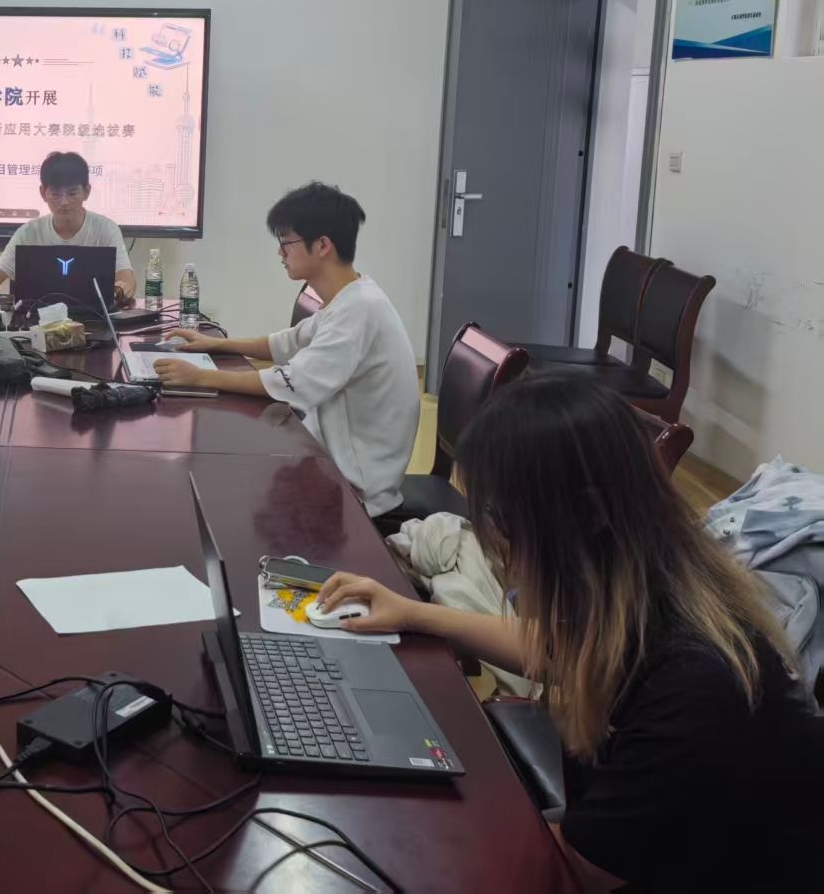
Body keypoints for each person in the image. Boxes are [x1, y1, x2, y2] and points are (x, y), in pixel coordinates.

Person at [316, 375, 824, 892]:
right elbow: (553, 649)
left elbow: (571, 873)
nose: (493, 542)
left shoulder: (693, 684)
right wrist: (413, 614)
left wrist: (394, 836)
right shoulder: (649, 595)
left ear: (590, 512)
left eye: (499, 518)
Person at [154, 182, 418, 517]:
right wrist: (215, 343)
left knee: (229, 492)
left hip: (357, 488)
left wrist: (201, 378)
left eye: (286, 243)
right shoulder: (351, 297)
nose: (280, 254)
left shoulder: (359, 309)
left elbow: (293, 382)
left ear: (322, 245)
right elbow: (286, 343)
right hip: (327, 454)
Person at [0, 151, 136, 306]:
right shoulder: (29, 232)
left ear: (86, 192)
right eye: (56, 194)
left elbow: (127, 280)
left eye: (72, 194)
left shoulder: (106, 229)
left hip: (96, 319)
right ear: (43, 193)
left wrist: (122, 288)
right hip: (36, 320)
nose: (64, 202)